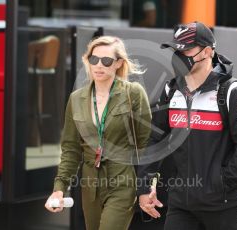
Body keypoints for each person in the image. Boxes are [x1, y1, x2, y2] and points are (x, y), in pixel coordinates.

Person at [137, 21, 237, 230]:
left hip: (223, 205)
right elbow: (154, 139)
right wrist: (144, 187)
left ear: (207, 51)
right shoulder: (171, 90)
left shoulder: (231, 91)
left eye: (186, 49)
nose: (178, 55)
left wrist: (221, 183)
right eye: (175, 49)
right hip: (181, 203)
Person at [45, 36, 152, 230]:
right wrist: (59, 189)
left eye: (106, 61)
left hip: (122, 181)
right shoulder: (76, 99)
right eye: (94, 59)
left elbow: (146, 144)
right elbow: (71, 149)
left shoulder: (133, 93)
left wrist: (147, 186)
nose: (99, 65)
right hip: (90, 185)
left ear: (118, 63)